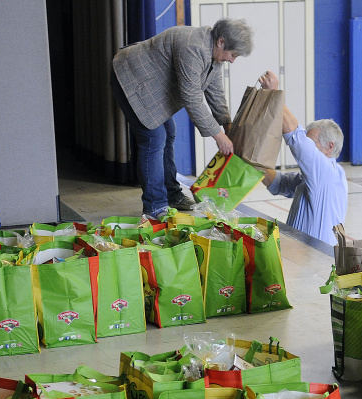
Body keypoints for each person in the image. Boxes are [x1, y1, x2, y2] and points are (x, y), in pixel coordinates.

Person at [111, 18, 253, 218]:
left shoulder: (213, 53)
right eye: (233, 54)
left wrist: (228, 125)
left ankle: (172, 195)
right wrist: (219, 136)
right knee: (154, 139)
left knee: (169, 132)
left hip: (152, 86)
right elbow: (192, 98)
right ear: (221, 42)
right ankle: (155, 206)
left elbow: (215, 92)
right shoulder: (192, 48)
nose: (232, 60)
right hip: (132, 78)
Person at [257, 71, 347, 247]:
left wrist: (275, 94)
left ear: (330, 147)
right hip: (301, 253)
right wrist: (252, 164)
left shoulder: (326, 171)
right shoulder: (314, 177)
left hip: (315, 258)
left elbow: (297, 139)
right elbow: (280, 183)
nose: (309, 148)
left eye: (312, 143)